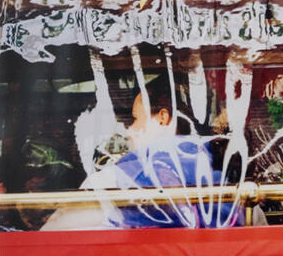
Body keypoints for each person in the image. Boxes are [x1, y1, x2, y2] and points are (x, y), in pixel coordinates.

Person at [42, 74, 266, 230]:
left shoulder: (109, 182)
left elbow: (54, 240)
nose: (129, 131)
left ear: (163, 119)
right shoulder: (234, 188)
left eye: (136, 119)